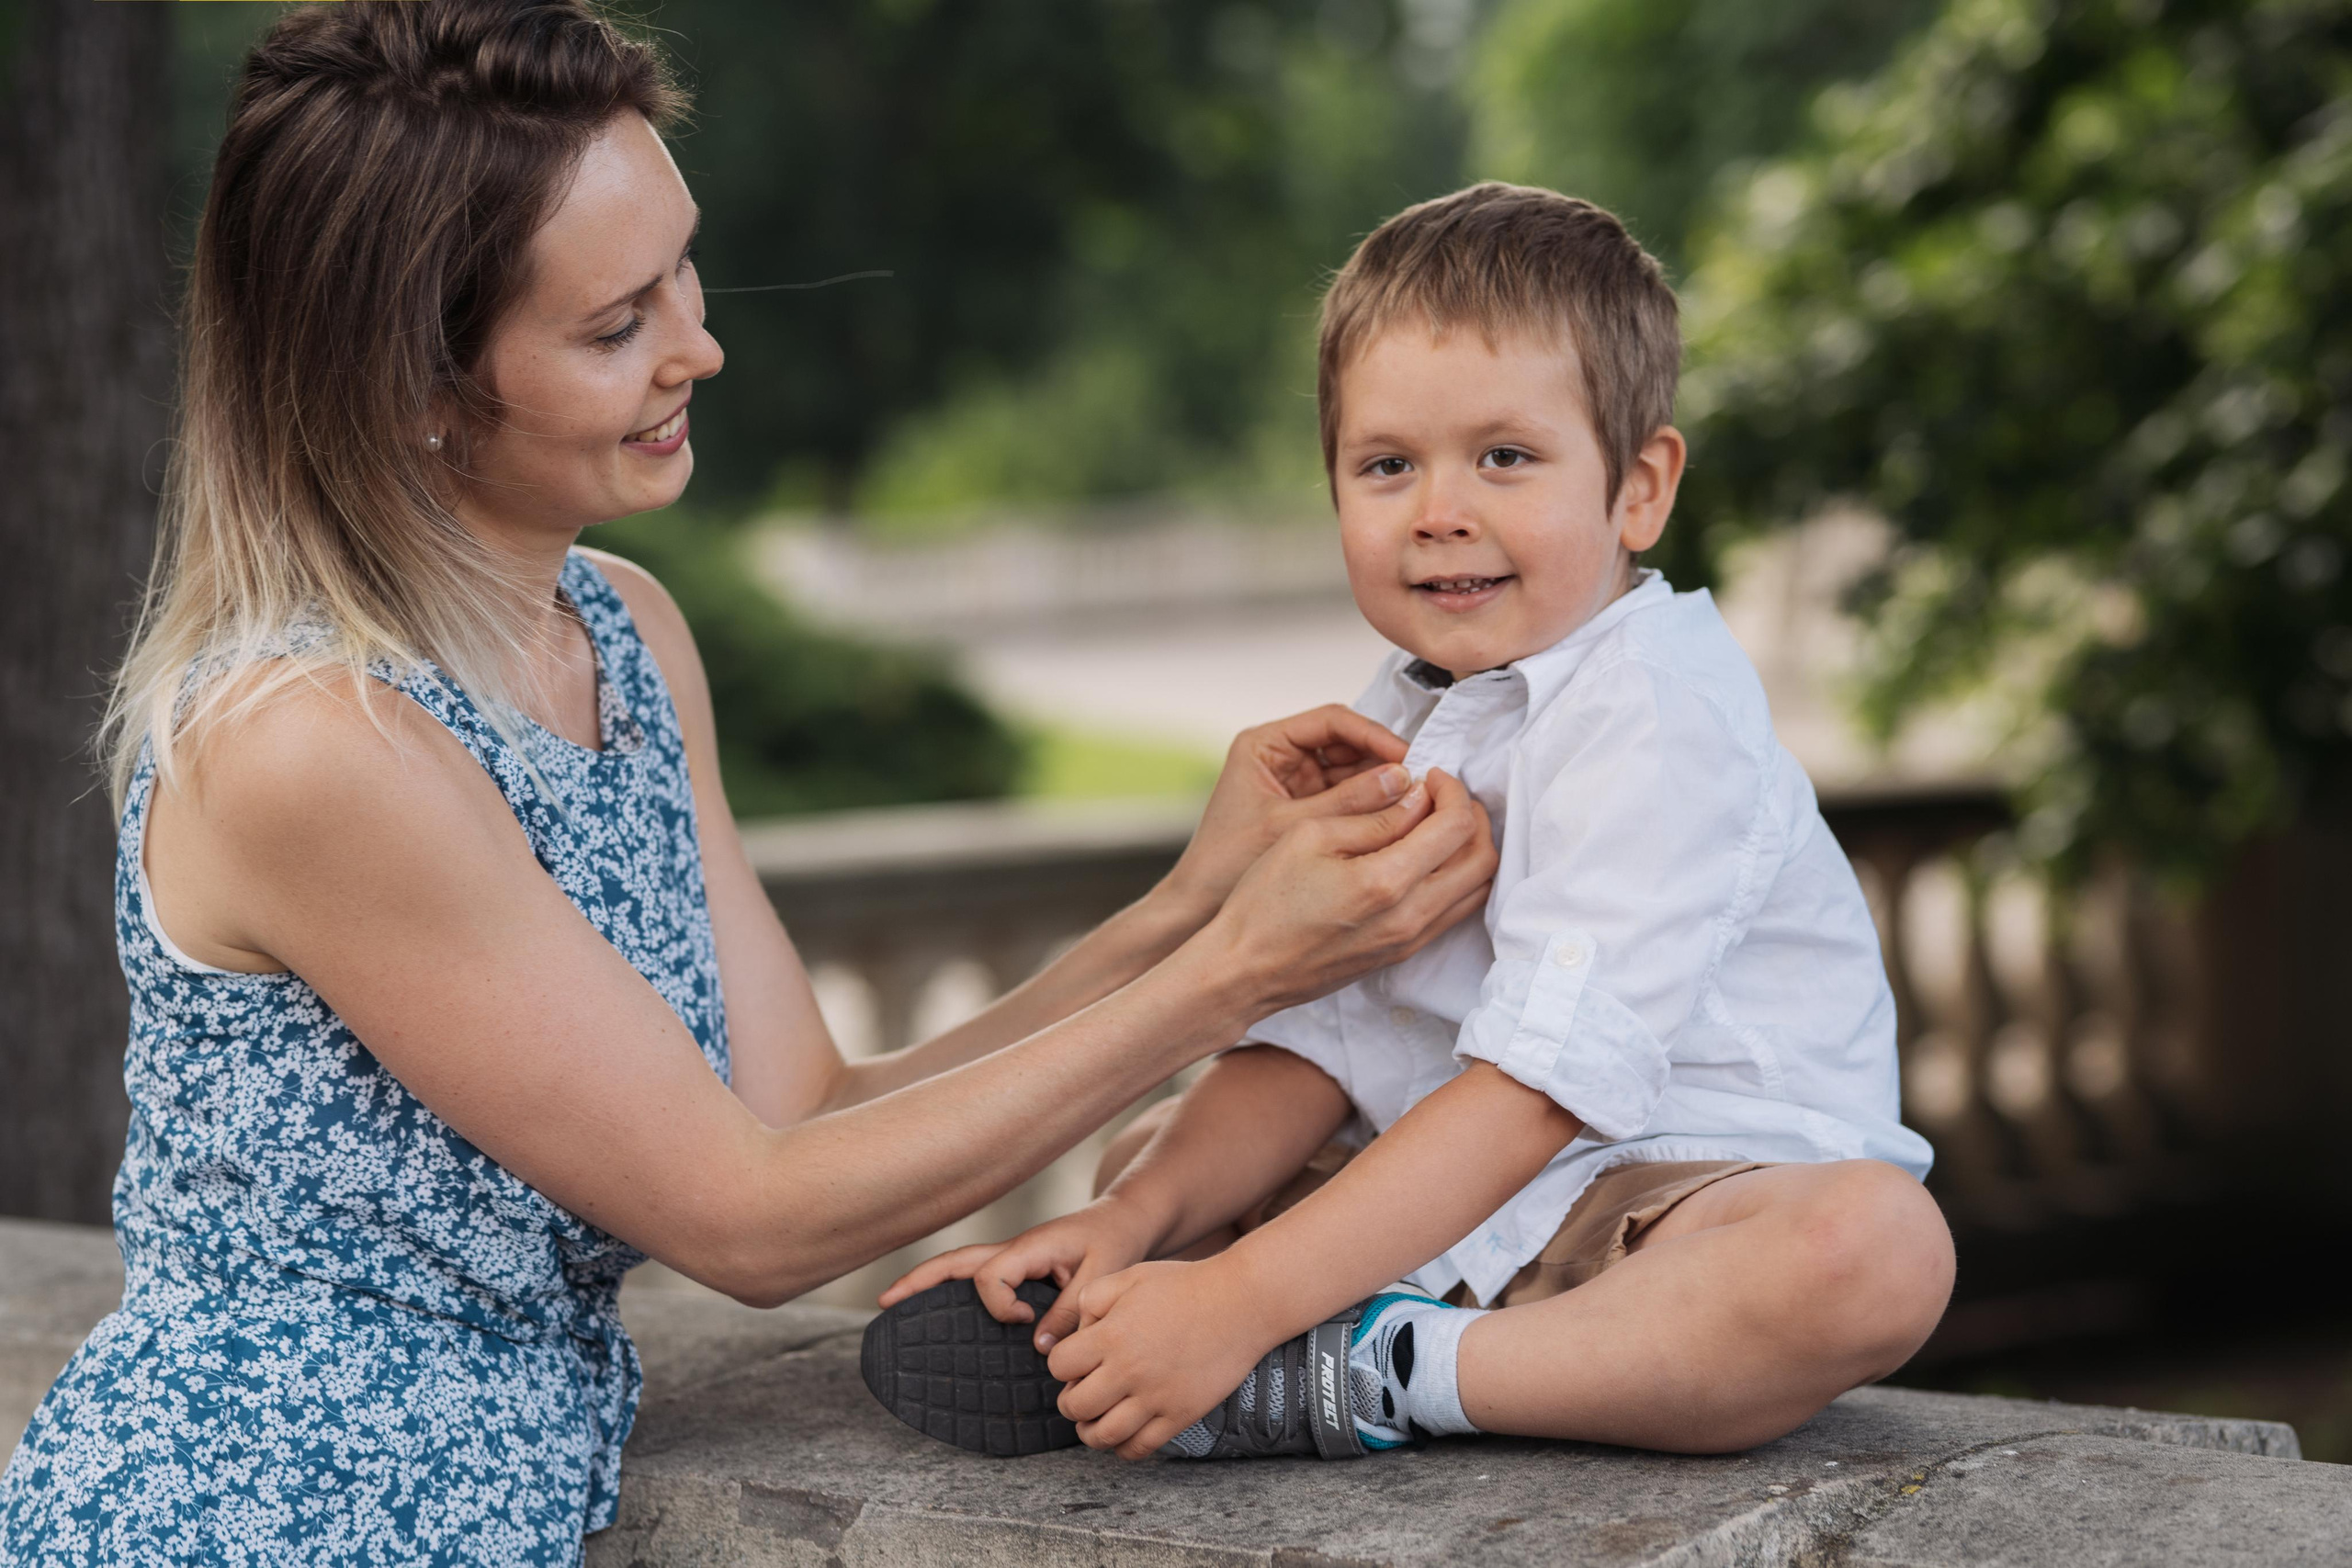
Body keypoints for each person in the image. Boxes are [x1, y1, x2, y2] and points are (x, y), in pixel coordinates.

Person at [0, 5, 1499, 1562]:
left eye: (681, 272)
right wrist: (1246, 973)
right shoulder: (311, 744)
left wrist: (1196, 907)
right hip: (246, 1520)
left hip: (503, 1502)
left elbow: (809, 1117)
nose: (698, 344)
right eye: (613, 325)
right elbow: (755, 1221)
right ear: (417, 388)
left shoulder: (625, 631)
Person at [882, 183, 1956, 1463]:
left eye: (1505, 458)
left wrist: (1239, 1293)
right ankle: (1178, 1329)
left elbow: (1535, 1097)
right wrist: (1133, 1217)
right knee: (1165, 1148)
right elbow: (1319, 1041)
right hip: (1459, 1207)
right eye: (1388, 466)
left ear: (1639, 489)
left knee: (1873, 1253)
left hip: (1674, 1207)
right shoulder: (1404, 717)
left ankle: (1386, 1374)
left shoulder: (1657, 711)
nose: (1438, 508)